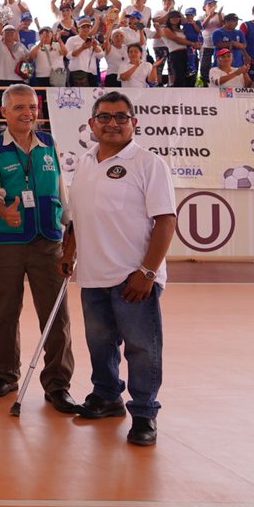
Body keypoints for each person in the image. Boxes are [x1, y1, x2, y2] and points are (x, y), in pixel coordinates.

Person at [60, 92, 175, 446]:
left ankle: (144, 413)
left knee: (142, 347)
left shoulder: (148, 163)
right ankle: (107, 396)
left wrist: (147, 272)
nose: (113, 123)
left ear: (133, 123)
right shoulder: (84, 162)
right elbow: (79, 217)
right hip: (93, 275)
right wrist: (69, 252)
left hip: (133, 277)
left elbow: (166, 220)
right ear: (92, 124)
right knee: (100, 343)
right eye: (105, 117)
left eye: (121, 117)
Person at [0, 84, 75, 413]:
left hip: (49, 240)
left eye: (31, 107)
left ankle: (58, 383)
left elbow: (62, 189)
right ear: (4, 112)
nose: (27, 113)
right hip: (6, 242)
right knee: (6, 312)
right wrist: (2, 209)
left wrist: (70, 232)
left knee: (56, 316)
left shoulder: (50, 145)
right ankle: (5, 373)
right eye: (18, 107)